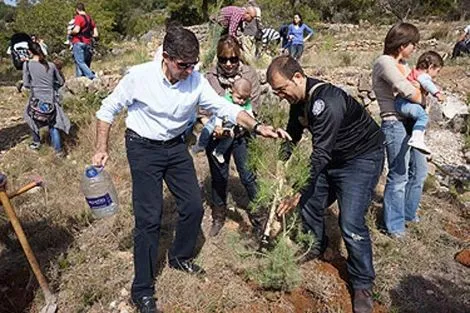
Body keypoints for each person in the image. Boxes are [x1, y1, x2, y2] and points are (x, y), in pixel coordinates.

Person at [92, 26, 289, 313]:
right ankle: (142, 289)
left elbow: (227, 108)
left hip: (174, 147)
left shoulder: (195, 81)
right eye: (183, 65)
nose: (188, 70)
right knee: (149, 218)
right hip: (143, 147)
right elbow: (106, 110)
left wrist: (258, 127)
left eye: (193, 64)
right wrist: (101, 147)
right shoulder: (139, 77)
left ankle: (180, 257)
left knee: (194, 206)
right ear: (167, 57)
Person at [270, 55, 384, 313]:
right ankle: (317, 246)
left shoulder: (327, 102)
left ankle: (363, 283)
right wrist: (281, 161)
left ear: (298, 77)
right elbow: (293, 133)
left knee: (350, 221)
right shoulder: (298, 102)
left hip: (361, 159)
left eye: (281, 89)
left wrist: (297, 191)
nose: (279, 95)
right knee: (310, 203)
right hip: (333, 157)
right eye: (275, 92)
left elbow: (319, 154)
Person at [203, 35, 264, 237]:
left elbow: (253, 107)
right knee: (219, 176)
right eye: (223, 59)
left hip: (242, 134)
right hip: (217, 135)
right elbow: (202, 111)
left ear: (239, 57)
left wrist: (236, 125)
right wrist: (213, 127)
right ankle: (219, 215)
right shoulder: (209, 78)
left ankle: (260, 217)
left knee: (248, 176)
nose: (228, 64)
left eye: (233, 59)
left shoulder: (249, 75)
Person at [372, 22, 426, 238]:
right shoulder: (384, 62)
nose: (414, 48)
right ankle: (393, 226)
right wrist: (419, 93)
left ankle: (407, 214)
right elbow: (411, 93)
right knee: (399, 175)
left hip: (410, 123)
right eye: (412, 43)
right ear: (401, 43)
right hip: (394, 123)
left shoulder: (404, 64)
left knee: (420, 171)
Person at [23, 42, 70, 157]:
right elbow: (61, 82)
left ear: (30, 51)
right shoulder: (51, 65)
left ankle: (36, 142)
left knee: (30, 117)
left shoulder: (27, 65)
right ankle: (58, 151)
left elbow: (26, 84)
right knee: (54, 125)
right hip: (51, 99)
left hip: (36, 99)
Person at [192, 77, 254, 163]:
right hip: (217, 120)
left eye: (245, 99)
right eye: (239, 98)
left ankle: (219, 152)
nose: (241, 101)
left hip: (230, 124)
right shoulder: (226, 100)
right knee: (207, 129)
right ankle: (201, 144)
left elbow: (249, 115)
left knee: (228, 138)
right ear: (232, 92)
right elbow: (219, 114)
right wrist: (218, 126)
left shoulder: (247, 104)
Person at [395, 51, 444, 155]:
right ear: (430, 67)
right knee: (423, 116)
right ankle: (416, 139)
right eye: (437, 71)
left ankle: (417, 138)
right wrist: (437, 93)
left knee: (420, 116)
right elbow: (427, 84)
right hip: (405, 103)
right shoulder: (422, 76)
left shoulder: (414, 73)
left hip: (401, 103)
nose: (437, 75)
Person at [70, 2, 98, 80]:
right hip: (88, 43)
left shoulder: (78, 17)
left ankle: (92, 76)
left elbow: (76, 30)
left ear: (77, 10)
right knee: (82, 63)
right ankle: (80, 80)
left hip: (78, 42)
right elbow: (96, 34)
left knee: (80, 62)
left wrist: (70, 32)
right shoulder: (89, 18)